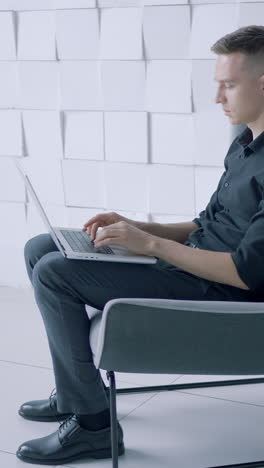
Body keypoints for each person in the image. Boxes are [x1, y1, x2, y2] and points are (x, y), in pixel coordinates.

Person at [16, 25, 264, 465]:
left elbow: (245, 273)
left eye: (228, 85)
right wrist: (135, 226)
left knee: (55, 272)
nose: (218, 98)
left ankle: (93, 425)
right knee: (42, 247)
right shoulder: (245, 145)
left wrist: (148, 243)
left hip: (223, 291)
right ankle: (75, 392)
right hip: (189, 269)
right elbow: (206, 224)